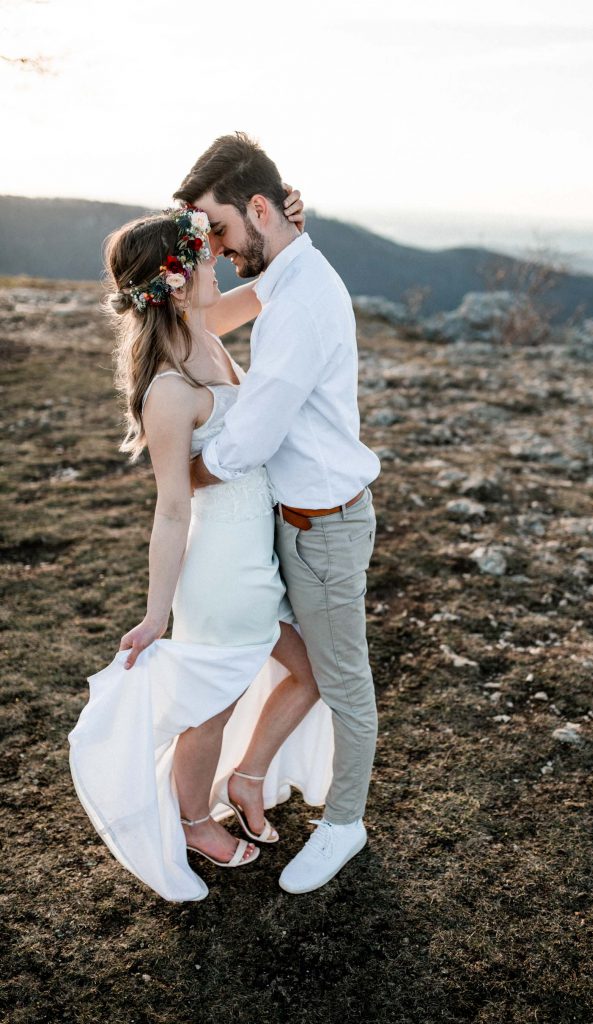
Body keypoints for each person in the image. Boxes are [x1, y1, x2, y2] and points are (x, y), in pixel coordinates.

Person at [69, 193, 335, 903]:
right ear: (177, 280)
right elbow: (171, 509)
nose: (219, 259)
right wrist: (157, 614)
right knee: (208, 713)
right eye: (206, 256)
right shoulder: (168, 390)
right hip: (220, 576)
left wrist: (287, 230)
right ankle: (192, 821)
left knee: (311, 673)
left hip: (258, 559)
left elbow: (277, 283)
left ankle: (246, 778)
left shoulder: (208, 328)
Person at [174, 133, 381, 894]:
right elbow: (206, 325)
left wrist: (180, 474)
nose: (220, 249)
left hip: (322, 527)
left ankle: (344, 825)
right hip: (287, 523)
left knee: (343, 681)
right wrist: (187, 258)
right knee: (297, 666)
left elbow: (250, 438)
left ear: (260, 207)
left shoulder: (302, 298)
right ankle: (250, 778)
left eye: (220, 230)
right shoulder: (288, 271)